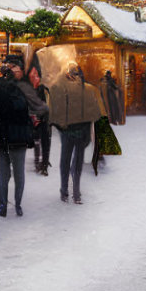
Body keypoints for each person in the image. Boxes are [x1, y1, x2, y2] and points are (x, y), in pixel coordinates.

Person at [0, 54, 33, 217]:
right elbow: (25, 111)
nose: (20, 71)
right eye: (18, 68)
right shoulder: (22, 87)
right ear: (13, 68)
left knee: (4, 172)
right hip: (19, 138)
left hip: (3, 138)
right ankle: (17, 205)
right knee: (18, 173)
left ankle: (3, 204)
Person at [48, 62, 101, 205]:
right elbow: (95, 114)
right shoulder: (89, 90)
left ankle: (64, 191)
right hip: (81, 132)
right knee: (77, 162)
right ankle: (76, 193)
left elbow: (55, 113)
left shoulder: (59, 89)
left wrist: (60, 127)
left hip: (67, 132)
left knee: (64, 161)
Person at [27, 60, 51, 175]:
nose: (33, 77)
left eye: (36, 75)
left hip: (44, 120)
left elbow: (48, 107)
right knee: (36, 141)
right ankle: (38, 162)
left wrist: (41, 116)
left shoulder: (44, 90)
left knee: (45, 142)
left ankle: (44, 165)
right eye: (32, 74)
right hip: (34, 120)